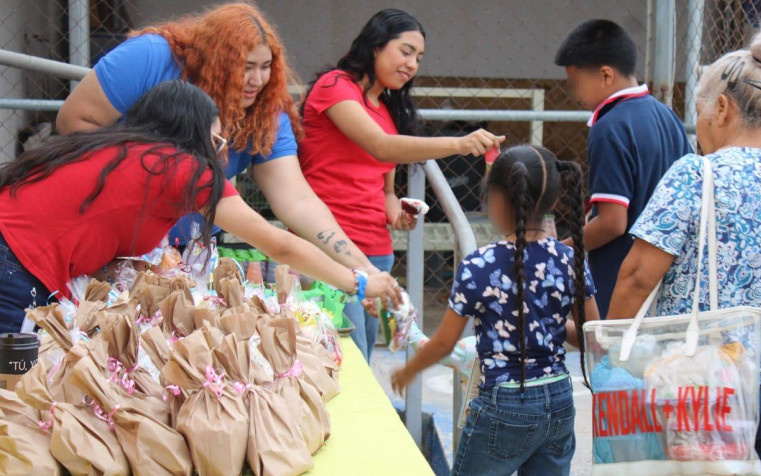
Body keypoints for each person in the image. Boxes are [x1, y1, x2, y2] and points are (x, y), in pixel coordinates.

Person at [0, 80, 400, 335]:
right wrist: (359, 282)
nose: (220, 149)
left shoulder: (115, 150)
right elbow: (279, 245)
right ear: (195, 133)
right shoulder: (184, 168)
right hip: (16, 268)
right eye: (217, 138)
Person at [608, 30, 761, 476]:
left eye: (700, 109)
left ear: (723, 110)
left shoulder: (697, 174)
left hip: (705, 391)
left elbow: (637, 274)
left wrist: (614, 352)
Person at [55, 3, 383, 280]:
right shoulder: (150, 56)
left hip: (188, 250)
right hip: (104, 234)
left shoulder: (265, 110)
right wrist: (146, 182)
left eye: (266, 67)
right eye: (245, 67)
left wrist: (362, 267)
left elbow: (297, 201)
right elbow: (73, 121)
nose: (256, 80)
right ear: (215, 60)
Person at [391, 145, 599, 476]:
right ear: (553, 199)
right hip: (557, 398)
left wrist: (408, 372)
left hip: (505, 401)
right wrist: (547, 326)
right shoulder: (570, 259)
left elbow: (444, 343)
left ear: (497, 199)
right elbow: (590, 336)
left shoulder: (480, 265)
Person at [299, 8, 504, 359]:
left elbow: (386, 189)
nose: (412, 64)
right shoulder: (334, 87)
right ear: (376, 45)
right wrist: (459, 143)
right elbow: (380, 145)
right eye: (405, 51)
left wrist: (396, 213)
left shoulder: (385, 106)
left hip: (377, 253)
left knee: (361, 355)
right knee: (341, 360)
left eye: (419, 58)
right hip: (331, 249)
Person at [554, 19, 692, 476]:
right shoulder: (666, 116)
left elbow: (612, 220)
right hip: (668, 287)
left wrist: (561, 248)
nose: (574, 95)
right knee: (659, 409)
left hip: (624, 288)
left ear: (606, 74)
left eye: (576, 82)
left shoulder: (611, 125)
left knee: (625, 414)